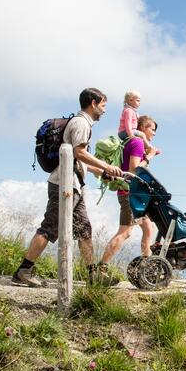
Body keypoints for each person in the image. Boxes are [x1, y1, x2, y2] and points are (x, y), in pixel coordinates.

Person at [12, 88, 124, 288]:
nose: (105, 111)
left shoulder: (81, 123)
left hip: (74, 186)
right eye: (103, 105)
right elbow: (79, 153)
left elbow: (76, 160)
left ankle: (93, 276)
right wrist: (106, 165)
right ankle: (23, 271)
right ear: (93, 103)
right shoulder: (81, 123)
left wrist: (102, 173)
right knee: (49, 228)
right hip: (64, 186)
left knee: (84, 230)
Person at [99, 115, 159, 271]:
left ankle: (147, 267)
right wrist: (150, 156)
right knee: (125, 232)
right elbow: (134, 171)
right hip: (129, 194)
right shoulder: (137, 142)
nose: (154, 134)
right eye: (152, 130)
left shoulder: (128, 142)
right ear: (142, 128)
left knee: (148, 229)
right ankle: (101, 268)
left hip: (132, 194)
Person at [119, 90, 157, 154]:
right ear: (130, 100)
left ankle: (144, 151)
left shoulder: (132, 111)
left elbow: (136, 119)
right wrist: (131, 135)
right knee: (142, 135)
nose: (139, 103)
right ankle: (149, 148)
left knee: (140, 138)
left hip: (127, 131)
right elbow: (127, 124)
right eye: (138, 100)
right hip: (125, 132)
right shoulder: (129, 111)